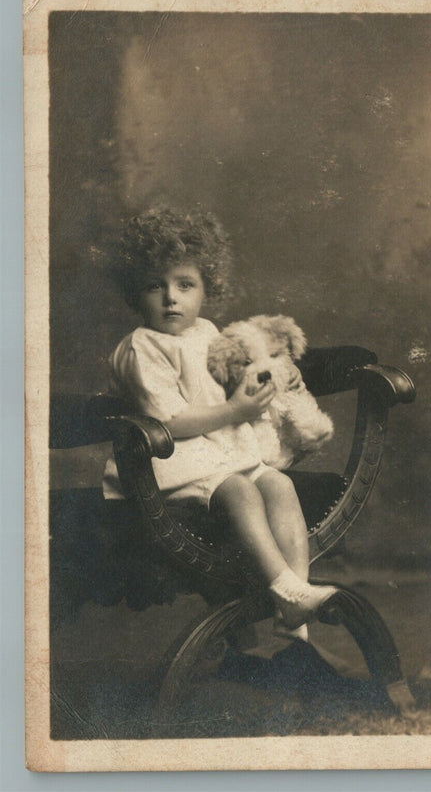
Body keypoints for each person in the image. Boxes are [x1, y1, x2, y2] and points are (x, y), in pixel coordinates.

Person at [103, 206, 336, 640]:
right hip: (170, 460)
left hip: (221, 451)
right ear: (137, 293)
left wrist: (281, 374)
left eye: (185, 285)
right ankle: (282, 587)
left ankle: (296, 603)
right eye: (156, 286)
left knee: (279, 486)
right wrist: (235, 413)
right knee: (242, 491)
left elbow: (240, 375)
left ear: (207, 288)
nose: (171, 297)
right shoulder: (143, 346)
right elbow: (168, 421)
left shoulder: (208, 333)